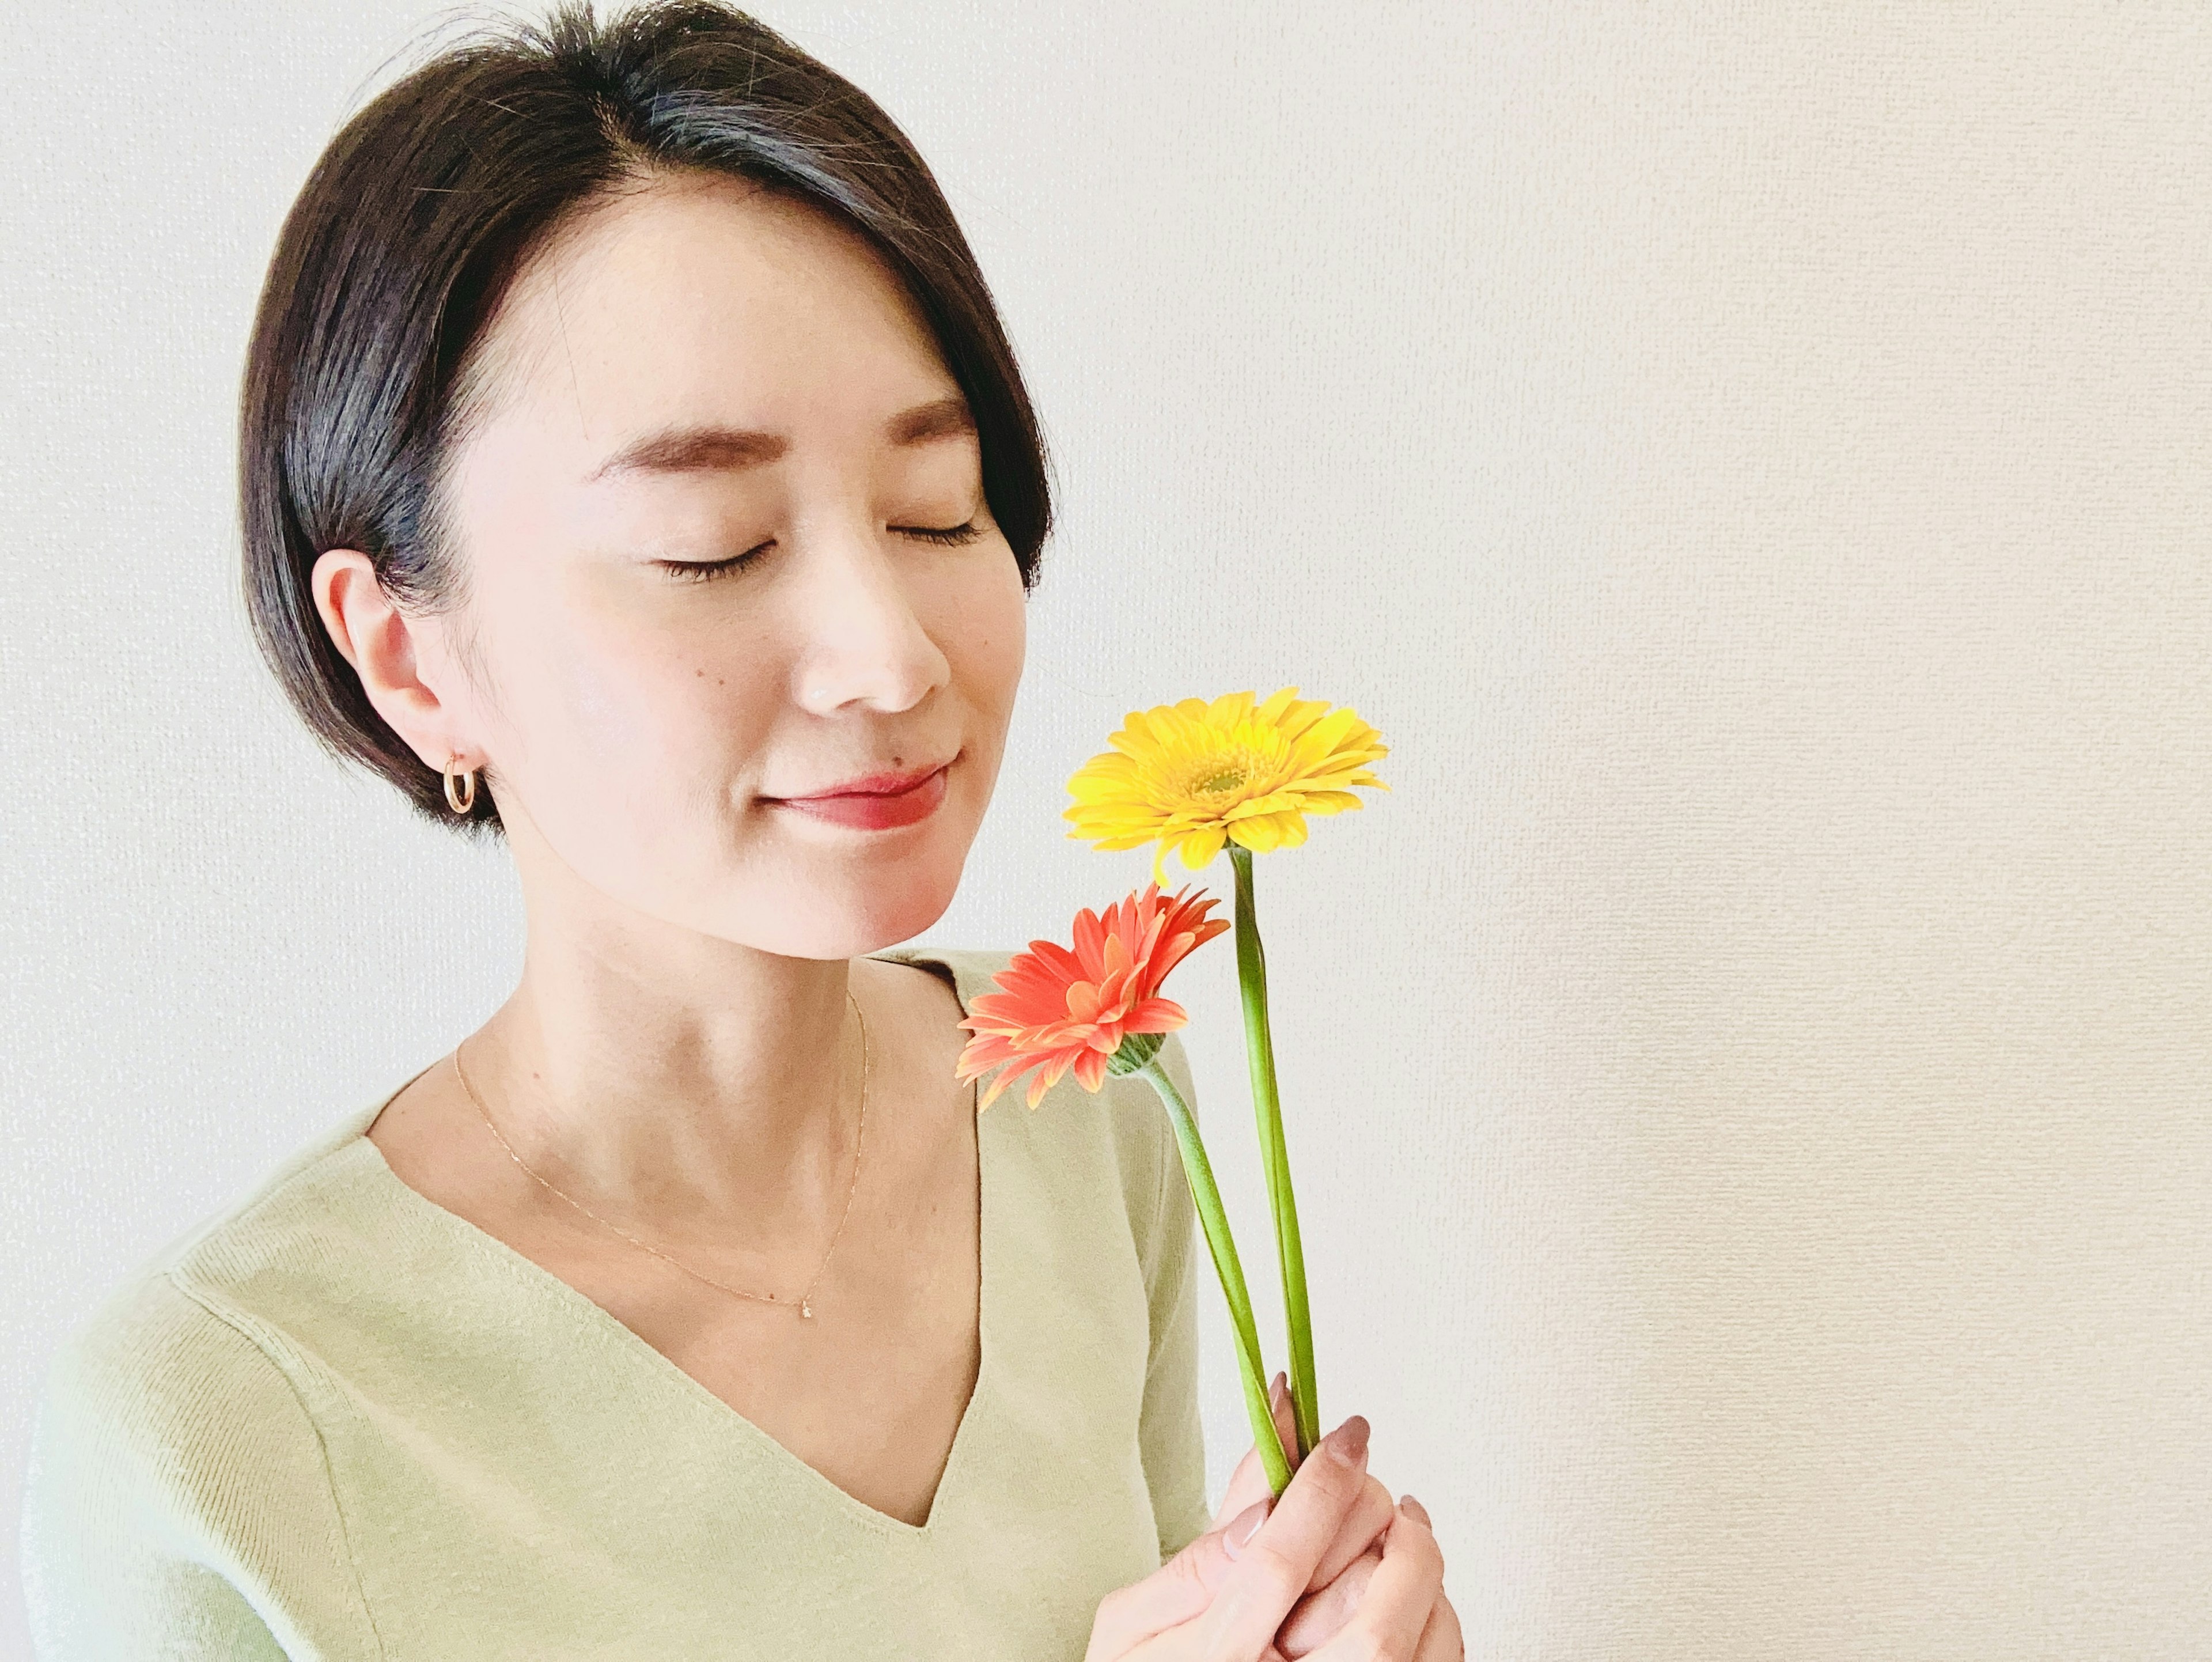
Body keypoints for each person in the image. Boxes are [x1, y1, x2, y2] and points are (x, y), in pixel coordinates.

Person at [18, 3, 1462, 1657]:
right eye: (712, 544)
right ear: (408, 656)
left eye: (939, 510)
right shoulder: (218, 1432)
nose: (896, 655)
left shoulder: (1092, 1106)